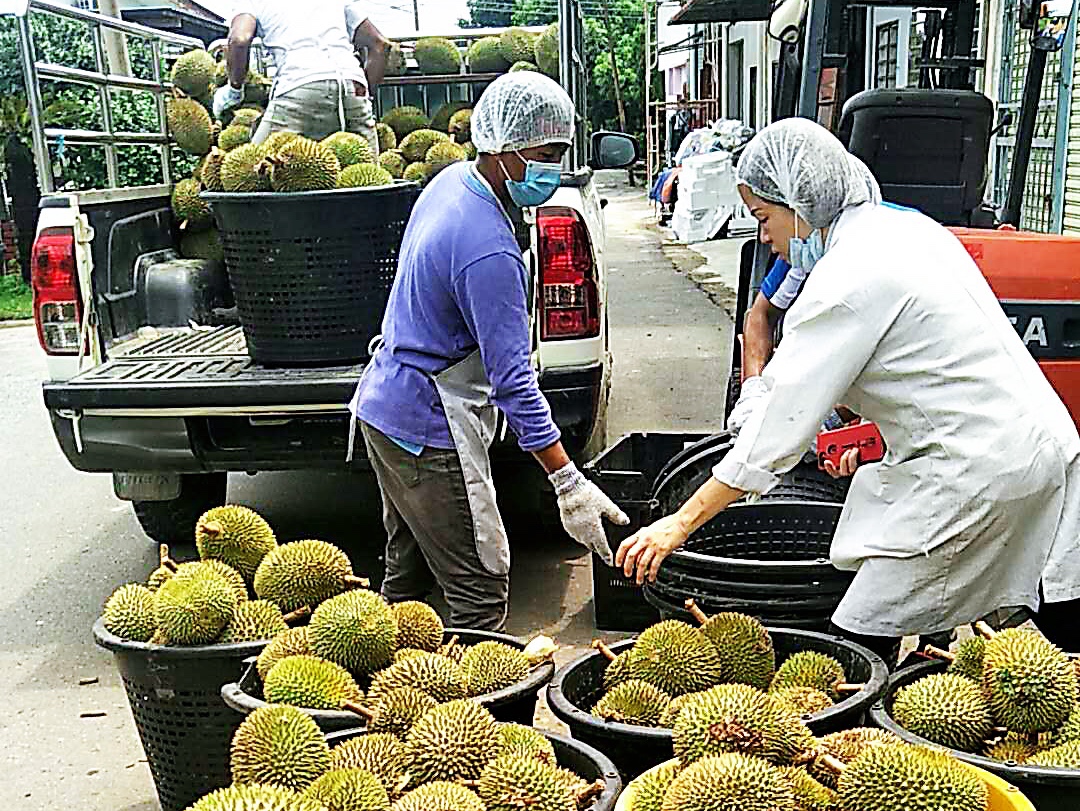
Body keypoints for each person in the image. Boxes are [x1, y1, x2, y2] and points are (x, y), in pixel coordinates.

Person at [616, 117, 1080, 662]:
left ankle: (851, 705)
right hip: (1042, 445)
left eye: (763, 218)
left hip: (978, 469)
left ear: (801, 204)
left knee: (867, 625)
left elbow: (776, 432)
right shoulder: (908, 230)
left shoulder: (847, 277)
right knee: (1058, 609)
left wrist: (679, 523)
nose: (763, 237)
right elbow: (925, 370)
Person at [348, 72, 629, 632]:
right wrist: (567, 482)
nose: (554, 170)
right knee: (479, 589)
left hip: (384, 407)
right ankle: (473, 688)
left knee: (407, 581)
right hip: (425, 426)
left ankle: (385, 680)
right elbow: (514, 383)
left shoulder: (453, 181)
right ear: (503, 147)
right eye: (545, 156)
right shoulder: (488, 250)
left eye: (561, 154)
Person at [213, 0, 392, 153]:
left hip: (299, 84)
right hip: (352, 83)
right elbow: (381, 45)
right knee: (373, 178)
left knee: (254, 168)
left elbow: (239, 39)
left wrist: (233, 91)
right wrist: (363, 97)